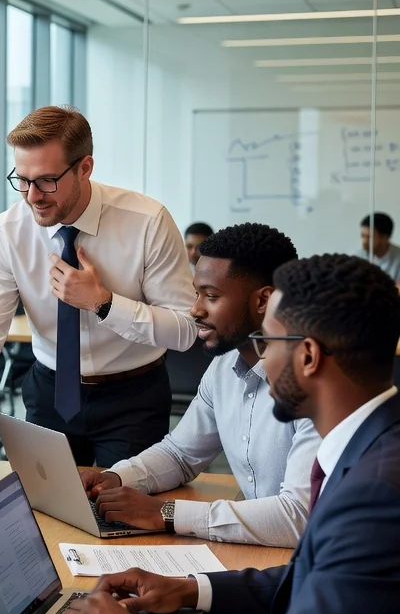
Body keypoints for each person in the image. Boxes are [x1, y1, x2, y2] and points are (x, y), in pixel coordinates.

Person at [58, 254, 400, 614]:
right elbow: (318, 575)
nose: (259, 361)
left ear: (308, 356)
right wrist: (194, 590)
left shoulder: (376, 492)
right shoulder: (375, 446)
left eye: (269, 342)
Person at [0, 106, 196, 468]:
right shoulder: (9, 231)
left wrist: (104, 303)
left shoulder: (147, 222)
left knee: (124, 515)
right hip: (50, 393)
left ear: (85, 168)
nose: (32, 196)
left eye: (46, 180)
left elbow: (186, 329)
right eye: (22, 180)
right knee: (44, 515)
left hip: (133, 398)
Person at [81, 223, 319, 547]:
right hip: (263, 553)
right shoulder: (223, 368)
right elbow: (180, 454)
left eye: (211, 296)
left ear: (263, 300)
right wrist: (116, 477)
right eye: (196, 294)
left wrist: (167, 513)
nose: (195, 310)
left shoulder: (312, 383)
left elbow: (298, 518)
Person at [359, 211, 400, 282]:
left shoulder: (398, 259)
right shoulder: (358, 256)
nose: (364, 241)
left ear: (385, 238)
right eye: (362, 236)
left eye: (369, 237)